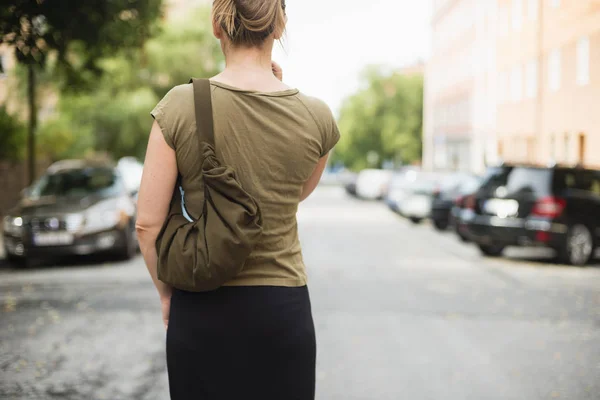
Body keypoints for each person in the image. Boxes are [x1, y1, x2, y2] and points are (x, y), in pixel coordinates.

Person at [135, 0, 340, 398]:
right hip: (283, 313)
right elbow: (292, 195)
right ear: (278, 27)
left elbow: (147, 225)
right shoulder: (316, 117)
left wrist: (166, 295)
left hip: (199, 306)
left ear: (217, 26)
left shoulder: (179, 106)